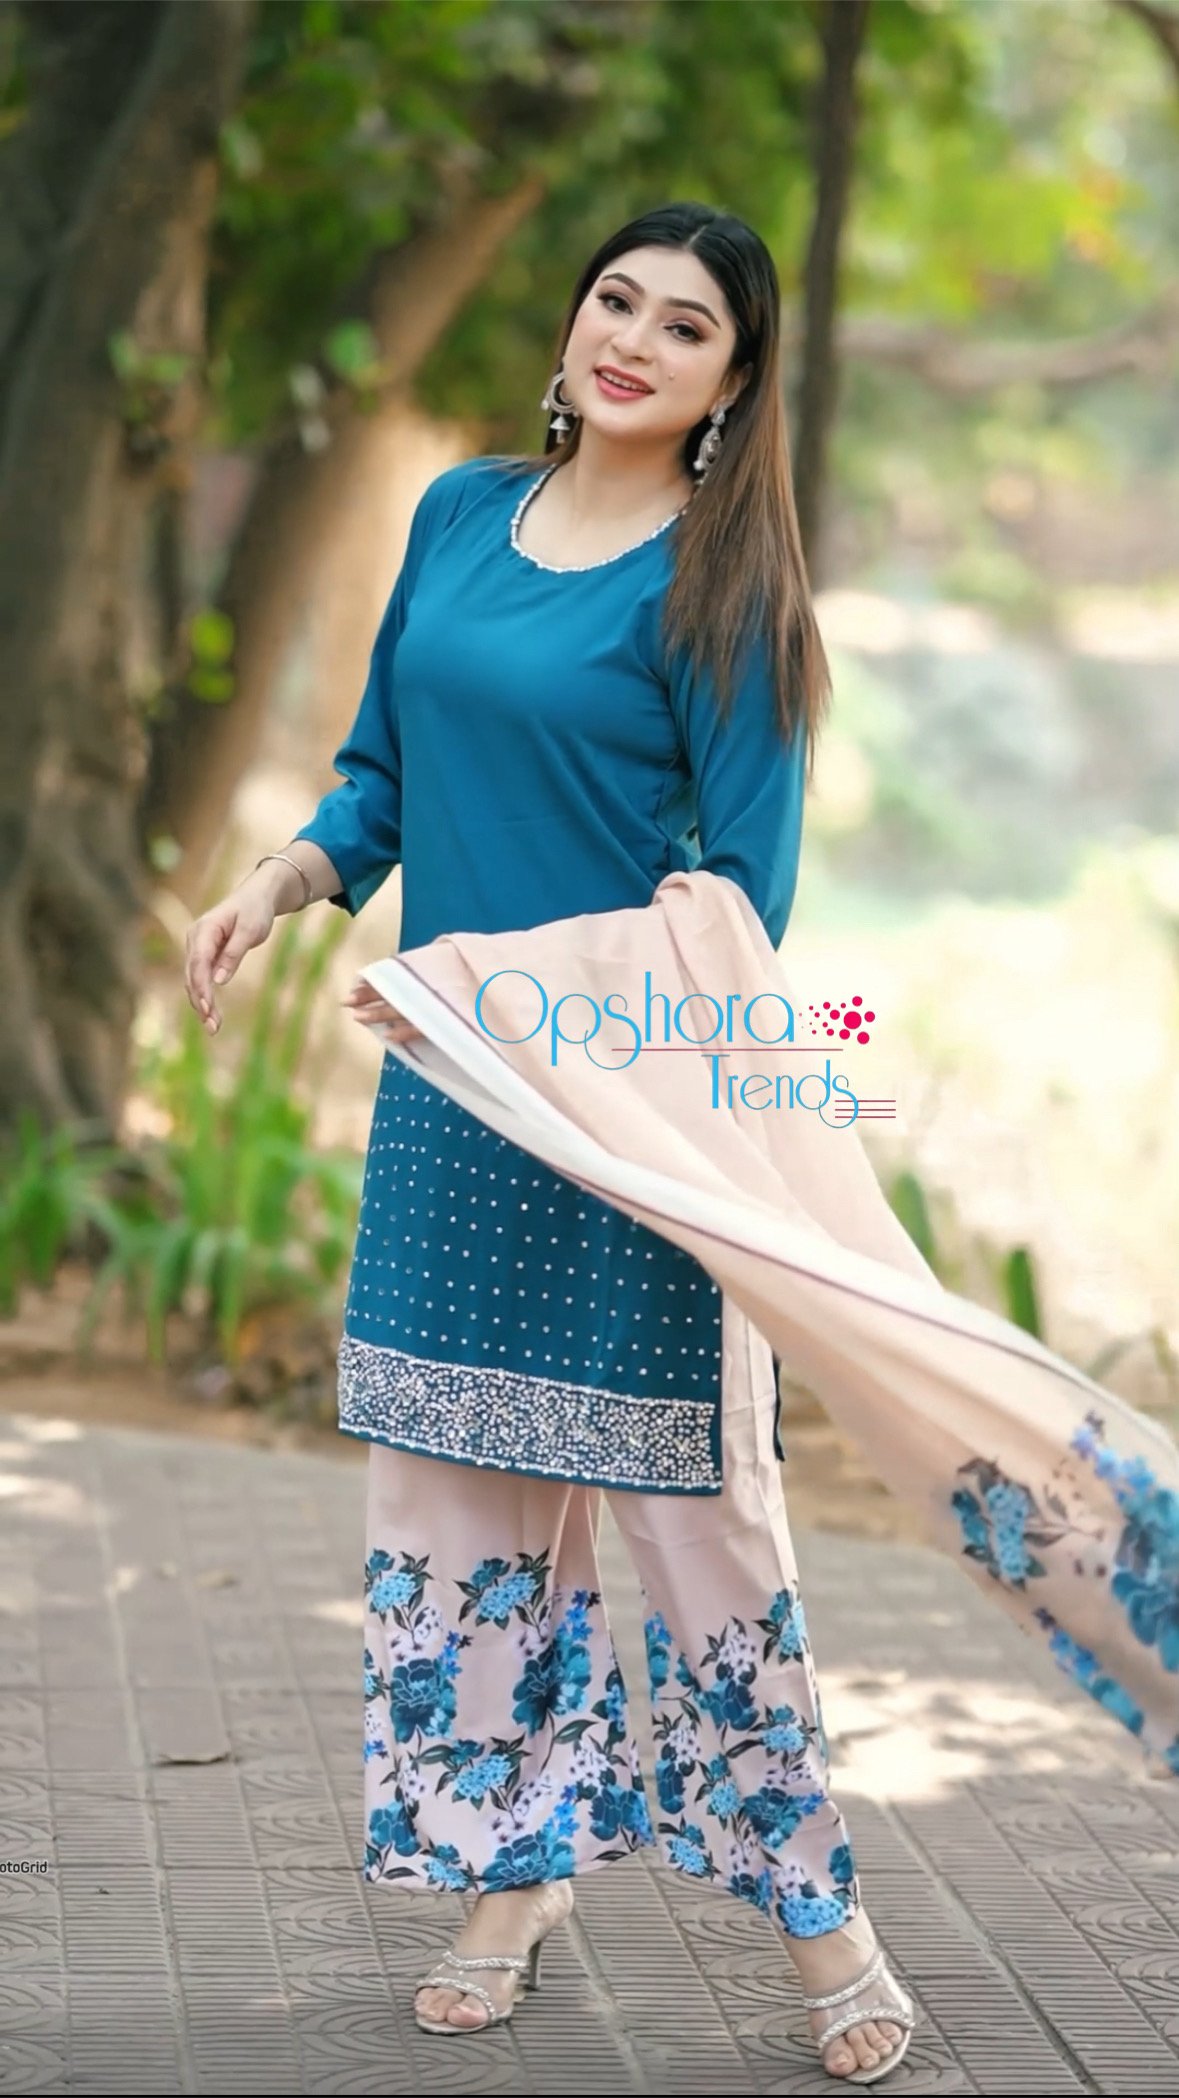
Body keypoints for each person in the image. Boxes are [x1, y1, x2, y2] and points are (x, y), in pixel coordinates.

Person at [184, 202, 917, 2085]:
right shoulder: (458, 518)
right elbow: (382, 775)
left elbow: (738, 897)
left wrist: (509, 995)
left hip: (627, 1106)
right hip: (452, 1105)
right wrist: (284, 877)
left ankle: (822, 1919)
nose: (633, 342)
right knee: (463, 1506)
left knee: (694, 1521)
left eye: (685, 327)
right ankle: (509, 1881)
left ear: (732, 385)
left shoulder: (727, 596)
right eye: (617, 300)